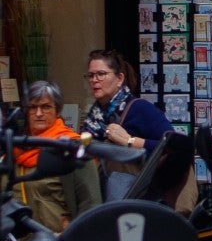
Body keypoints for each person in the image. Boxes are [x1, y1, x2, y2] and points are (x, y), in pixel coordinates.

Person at [79, 48, 171, 208]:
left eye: (101, 74)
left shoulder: (140, 109)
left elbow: (172, 146)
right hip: (99, 203)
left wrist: (130, 141)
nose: (94, 80)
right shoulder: (92, 118)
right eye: (91, 75)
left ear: (119, 78)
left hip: (138, 204)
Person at [11, 83, 86, 231]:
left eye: (45, 107)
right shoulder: (16, 148)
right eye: (33, 107)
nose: (38, 113)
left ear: (57, 110)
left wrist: (76, 236)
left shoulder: (71, 147)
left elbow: (90, 201)